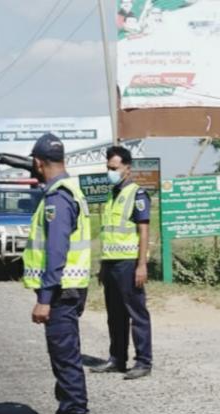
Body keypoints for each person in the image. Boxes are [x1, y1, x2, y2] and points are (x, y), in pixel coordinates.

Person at [22, 133, 94, 414]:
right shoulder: (69, 191)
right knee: (61, 357)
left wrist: (44, 298)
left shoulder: (57, 198)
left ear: (38, 162)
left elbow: (56, 252)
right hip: (69, 289)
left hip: (61, 292)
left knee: (66, 361)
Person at [90, 145, 154, 380]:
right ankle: (117, 359)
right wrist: (102, 267)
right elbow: (108, 232)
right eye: (108, 168)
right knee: (114, 315)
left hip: (129, 263)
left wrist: (142, 264)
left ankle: (143, 361)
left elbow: (144, 231)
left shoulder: (136, 194)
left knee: (136, 313)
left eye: (114, 168)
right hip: (110, 263)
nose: (111, 172)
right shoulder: (110, 195)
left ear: (127, 168)